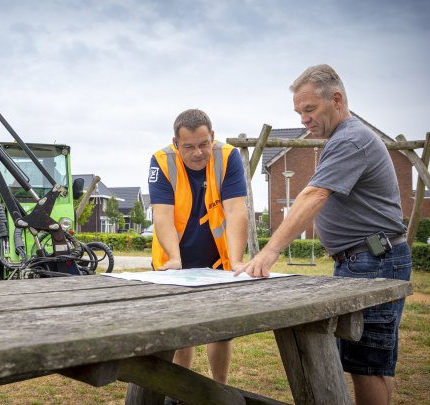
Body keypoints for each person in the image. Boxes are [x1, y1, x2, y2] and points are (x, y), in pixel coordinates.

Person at [235, 64, 411, 405]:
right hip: (368, 258)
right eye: (299, 112)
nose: (304, 119)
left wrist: (268, 253)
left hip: (372, 262)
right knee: (377, 364)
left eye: (309, 109)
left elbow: (314, 195)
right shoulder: (343, 139)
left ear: (337, 99)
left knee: (368, 366)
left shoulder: (351, 139)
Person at [148, 108, 248, 386]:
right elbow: (163, 215)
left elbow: (236, 210)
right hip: (174, 257)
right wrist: (175, 259)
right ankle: (182, 390)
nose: (197, 153)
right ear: (176, 143)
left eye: (204, 144)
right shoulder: (161, 160)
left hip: (218, 258)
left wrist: (237, 261)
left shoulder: (228, 157)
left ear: (212, 137)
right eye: (189, 146)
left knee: (221, 330)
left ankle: (220, 388)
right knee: (180, 330)